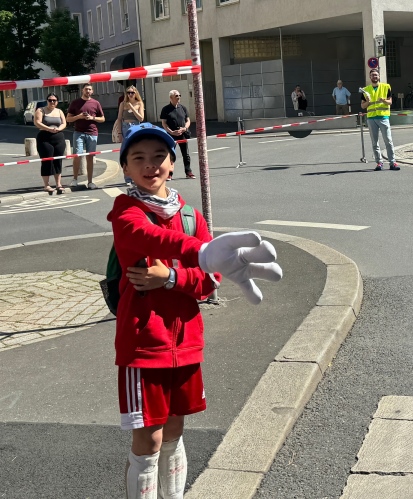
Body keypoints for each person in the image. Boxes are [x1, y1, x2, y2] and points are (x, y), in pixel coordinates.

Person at [107, 122, 283, 498]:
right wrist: (200, 254)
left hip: (186, 344)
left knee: (174, 431)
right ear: (125, 167)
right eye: (138, 158)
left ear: (172, 163)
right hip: (144, 346)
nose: (150, 165)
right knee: (149, 439)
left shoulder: (191, 217)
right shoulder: (125, 211)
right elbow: (149, 237)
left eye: (160, 156)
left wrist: (171, 277)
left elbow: (210, 281)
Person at [66, 83, 105, 189]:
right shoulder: (75, 103)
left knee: (90, 157)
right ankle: (75, 179)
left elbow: (102, 119)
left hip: (92, 133)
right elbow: (68, 119)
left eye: (90, 89)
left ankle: (90, 182)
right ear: (82, 90)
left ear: (92, 91)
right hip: (78, 132)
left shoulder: (96, 103)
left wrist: (92, 118)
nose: (88, 91)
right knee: (77, 155)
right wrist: (78, 117)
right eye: (86, 89)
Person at [361, 68, 399, 171]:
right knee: (375, 142)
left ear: (379, 76)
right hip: (371, 118)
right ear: (370, 77)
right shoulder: (365, 90)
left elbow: (390, 102)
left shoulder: (386, 87)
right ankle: (379, 163)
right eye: (372, 75)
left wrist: (383, 100)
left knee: (388, 141)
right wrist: (368, 102)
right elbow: (363, 106)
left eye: (376, 75)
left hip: (383, 117)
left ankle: (392, 162)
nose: (374, 76)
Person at [34, 92, 67, 195]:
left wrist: (58, 129)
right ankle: (46, 185)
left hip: (58, 137)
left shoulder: (59, 111)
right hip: (45, 138)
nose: (52, 102)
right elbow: (37, 122)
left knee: (58, 160)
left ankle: (58, 184)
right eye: (50, 100)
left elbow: (64, 123)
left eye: (54, 100)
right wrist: (49, 129)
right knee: (47, 160)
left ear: (57, 102)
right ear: (47, 101)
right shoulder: (41, 110)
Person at [160, 90, 195, 179]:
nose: (178, 97)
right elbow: (164, 123)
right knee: (171, 154)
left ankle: (188, 172)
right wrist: (171, 132)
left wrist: (185, 128)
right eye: (176, 96)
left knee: (186, 154)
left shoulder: (183, 108)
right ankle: (169, 173)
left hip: (182, 134)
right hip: (171, 135)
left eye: (179, 95)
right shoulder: (165, 109)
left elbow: (188, 120)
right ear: (171, 97)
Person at [115, 85, 145, 185]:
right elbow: (119, 119)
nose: (130, 94)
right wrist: (119, 133)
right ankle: (128, 178)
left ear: (136, 93)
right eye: (128, 93)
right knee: (125, 152)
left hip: (136, 127)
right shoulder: (123, 104)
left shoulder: (139, 103)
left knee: (137, 151)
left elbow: (141, 118)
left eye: (132, 92)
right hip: (125, 127)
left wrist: (132, 107)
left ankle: (137, 177)